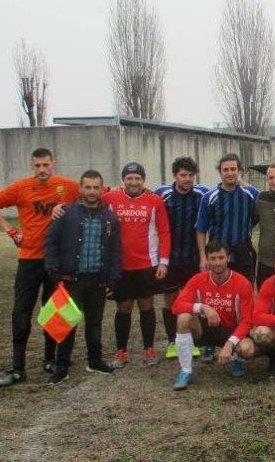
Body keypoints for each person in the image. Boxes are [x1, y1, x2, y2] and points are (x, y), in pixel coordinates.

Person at [0, 148, 81, 387]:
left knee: (53, 310)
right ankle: (18, 368)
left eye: (45, 165)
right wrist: (11, 230)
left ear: (53, 164)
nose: (42, 170)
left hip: (55, 261)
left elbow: (98, 192)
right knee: (21, 312)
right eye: (37, 165)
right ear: (32, 165)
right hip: (29, 259)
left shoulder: (67, 186)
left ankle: (50, 359)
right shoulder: (21, 187)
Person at [43, 170, 122, 385]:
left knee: (94, 323)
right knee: (67, 323)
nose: (92, 191)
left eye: (96, 187)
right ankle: (62, 366)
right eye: (88, 187)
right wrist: (52, 269)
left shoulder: (110, 217)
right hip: (72, 280)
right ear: (80, 188)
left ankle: (94, 361)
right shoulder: (65, 213)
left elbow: (115, 250)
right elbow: (51, 242)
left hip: (97, 280)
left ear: (101, 189)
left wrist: (113, 277)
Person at [105, 162, 171, 368]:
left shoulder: (155, 201)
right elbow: (86, 197)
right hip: (121, 265)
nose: (133, 182)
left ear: (143, 180)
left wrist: (163, 262)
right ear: (123, 180)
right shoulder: (110, 198)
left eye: (137, 178)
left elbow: (165, 232)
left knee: (146, 305)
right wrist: (60, 207)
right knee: (123, 307)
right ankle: (121, 351)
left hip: (147, 264)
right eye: (129, 178)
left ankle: (149, 349)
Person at [171, 240, 257, 390]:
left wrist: (229, 345)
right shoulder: (198, 279)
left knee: (247, 349)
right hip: (204, 330)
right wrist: (203, 307)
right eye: (213, 258)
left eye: (221, 257)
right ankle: (185, 370)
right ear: (207, 259)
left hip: (230, 331)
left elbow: (247, 321)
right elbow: (177, 306)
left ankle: (236, 358)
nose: (217, 262)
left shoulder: (242, 283)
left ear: (228, 258)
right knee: (183, 317)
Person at [153, 157, 209, 360]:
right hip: (170, 258)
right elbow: (142, 199)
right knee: (170, 299)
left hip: (193, 257)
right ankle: (172, 342)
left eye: (191, 175)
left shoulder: (202, 194)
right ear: (174, 176)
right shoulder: (162, 193)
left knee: (194, 300)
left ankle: (196, 341)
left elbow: (224, 189)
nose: (187, 179)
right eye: (183, 175)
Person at [196, 153, 260, 278]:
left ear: (239, 171)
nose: (230, 173)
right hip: (217, 253)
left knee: (244, 287)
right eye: (225, 170)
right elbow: (201, 229)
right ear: (220, 172)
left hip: (243, 252)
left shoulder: (251, 194)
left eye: (233, 169)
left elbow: (260, 213)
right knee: (218, 288)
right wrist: (203, 257)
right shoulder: (209, 197)